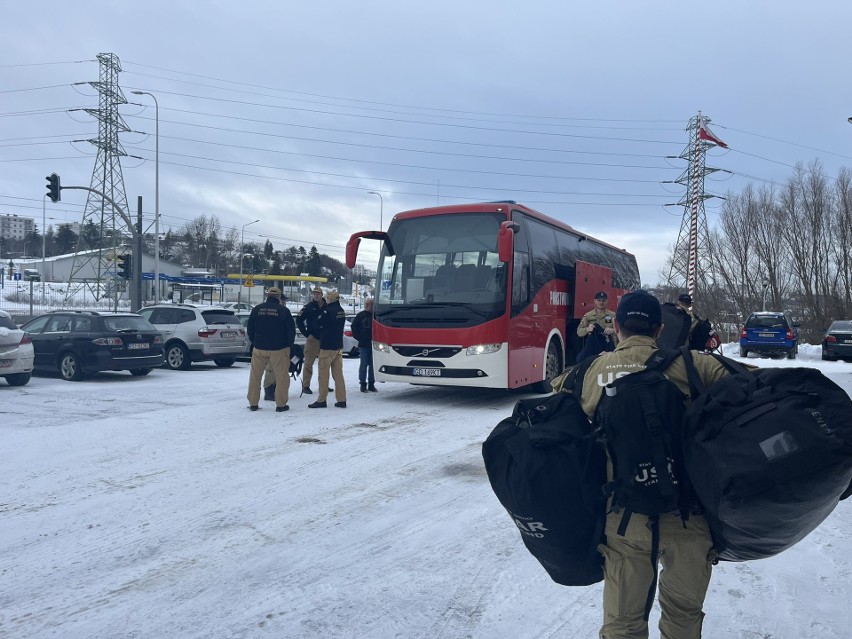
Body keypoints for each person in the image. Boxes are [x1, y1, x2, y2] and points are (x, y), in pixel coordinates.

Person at [571, 290, 733, 639]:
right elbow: (761, 387)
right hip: (689, 517)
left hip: (625, 519)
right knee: (683, 618)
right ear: (660, 330)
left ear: (615, 326)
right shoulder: (695, 366)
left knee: (623, 624)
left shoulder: (591, 372)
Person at [246, 287, 296, 413]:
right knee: (282, 377)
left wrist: (255, 342)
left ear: (267, 295)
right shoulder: (284, 310)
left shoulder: (256, 309)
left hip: (259, 348)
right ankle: (281, 405)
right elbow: (291, 330)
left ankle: (253, 403)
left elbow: (250, 329)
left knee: (255, 376)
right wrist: (289, 346)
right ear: (279, 297)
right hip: (279, 349)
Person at [308, 290, 347, 409]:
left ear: (331, 299)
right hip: (338, 346)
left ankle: (321, 400)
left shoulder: (328, 311)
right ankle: (341, 400)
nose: (326, 300)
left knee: (323, 374)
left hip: (327, 346)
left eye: (328, 298)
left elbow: (316, 323)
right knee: (338, 375)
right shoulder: (341, 311)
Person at [296, 286, 326, 394]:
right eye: (314, 294)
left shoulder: (327, 306)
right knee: (308, 364)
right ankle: (306, 386)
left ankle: (324, 385)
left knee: (324, 364)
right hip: (313, 340)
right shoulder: (308, 307)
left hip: (324, 340)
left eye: (318, 293)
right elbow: (299, 320)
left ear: (322, 295)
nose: (316, 295)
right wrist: (306, 334)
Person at [576, 291, 617, 362]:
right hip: (593, 347)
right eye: (599, 300)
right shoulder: (588, 316)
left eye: (603, 300)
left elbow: (621, 331)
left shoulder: (612, 315)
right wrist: (587, 329)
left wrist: (613, 330)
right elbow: (579, 332)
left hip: (608, 346)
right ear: (594, 301)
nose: (601, 303)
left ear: (607, 301)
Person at [351, 298, 376, 393]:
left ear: (373, 305)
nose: (366, 305)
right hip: (363, 345)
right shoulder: (360, 315)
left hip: (374, 345)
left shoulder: (375, 315)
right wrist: (359, 338)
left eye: (369, 304)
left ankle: (371, 384)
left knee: (373, 365)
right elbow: (354, 327)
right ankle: (362, 384)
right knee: (363, 365)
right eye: (365, 304)